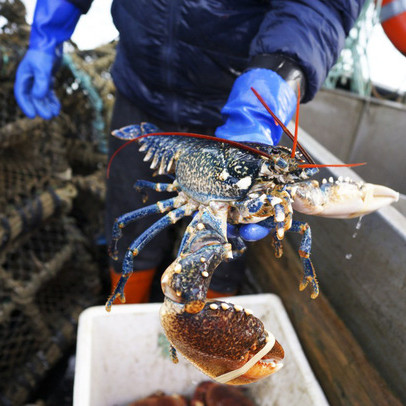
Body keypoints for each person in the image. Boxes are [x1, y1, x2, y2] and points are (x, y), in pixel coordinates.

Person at [14, 0, 364, 303]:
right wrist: (48, 31)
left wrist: (279, 73)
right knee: (132, 230)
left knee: (227, 253)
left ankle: (208, 349)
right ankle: (124, 307)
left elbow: (322, 5)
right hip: (141, 97)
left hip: (233, 107)